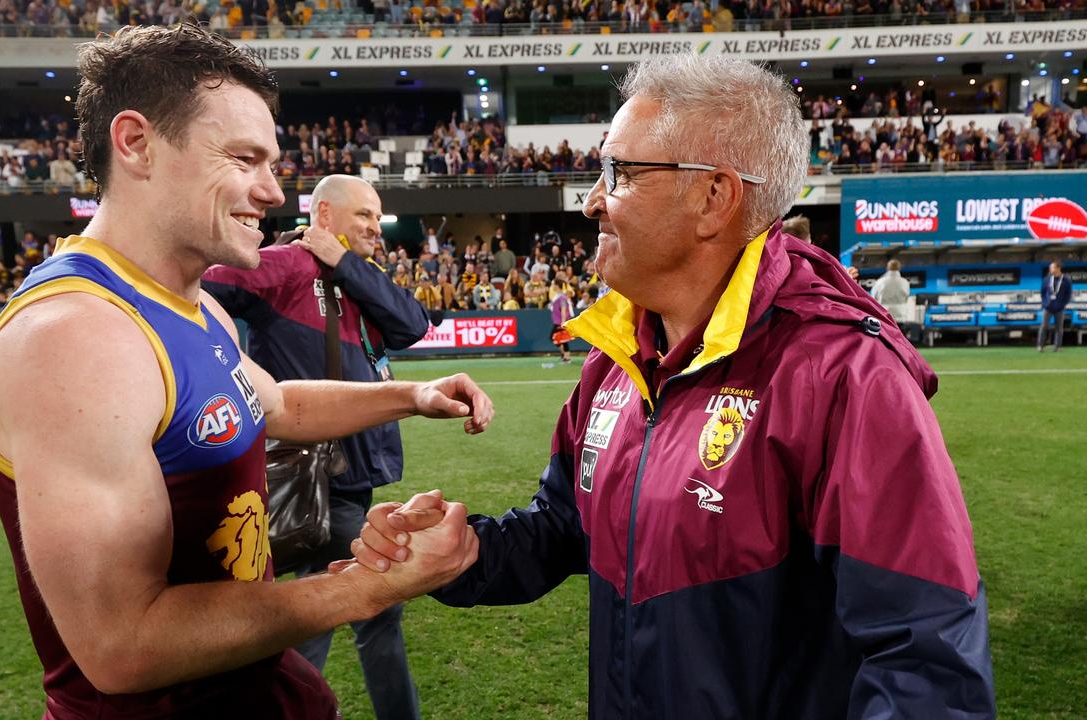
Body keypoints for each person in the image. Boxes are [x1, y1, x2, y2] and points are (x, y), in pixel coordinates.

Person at [350, 54, 995, 719]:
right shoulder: (619, 355)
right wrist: (468, 553)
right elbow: (568, 525)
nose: (594, 200)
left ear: (713, 197)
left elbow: (927, 667)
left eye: (620, 174)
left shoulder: (843, 376)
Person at [0, 24, 486, 719]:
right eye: (244, 158)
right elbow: (123, 647)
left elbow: (277, 404)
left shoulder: (187, 303)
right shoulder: (76, 339)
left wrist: (412, 394)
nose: (273, 191)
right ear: (136, 143)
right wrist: (368, 585)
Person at [202, 173, 432, 720]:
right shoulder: (287, 267)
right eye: (364, 217)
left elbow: (412, 324)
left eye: (378, 217)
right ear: (324, 215)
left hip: (350, 474)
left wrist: (344, 262)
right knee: (372, 609)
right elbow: (203, 283)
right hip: (320, 477)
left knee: (316, 610)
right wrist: (227, 358)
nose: (377, 227)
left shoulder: (358, 277)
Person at [1038, 260, 1073, 352]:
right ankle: (1040, 346)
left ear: (1058, 268)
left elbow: (1068, 294)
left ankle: (1057, 347)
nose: (1050, 269)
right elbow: (1042, 292)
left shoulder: (1066, 280)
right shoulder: (1046, 279)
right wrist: (1045, 303)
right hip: (1048, 307)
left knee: (1059, 328)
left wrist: (1063, 304)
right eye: (1050, 268)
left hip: (1060, 308)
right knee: (1044, 326)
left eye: (1052, 267)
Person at [871, 258, 914, 326]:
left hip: (884, 316)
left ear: (887, 268)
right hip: (900, 317)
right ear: (899, 268)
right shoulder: (905, 282)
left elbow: (873, 298)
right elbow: (906, 297)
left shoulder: (880, 282)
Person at [548, 279, 574, 363]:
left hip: (560, 322)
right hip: (557, 321)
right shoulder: (557, 296)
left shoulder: (562, 297)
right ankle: (564, 356)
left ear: (556, 285)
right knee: (560, 339)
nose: (552, 286)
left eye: (553, 284)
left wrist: (563, 321)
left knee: (560, 339)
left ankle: (567, 357)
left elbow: (563, 309)